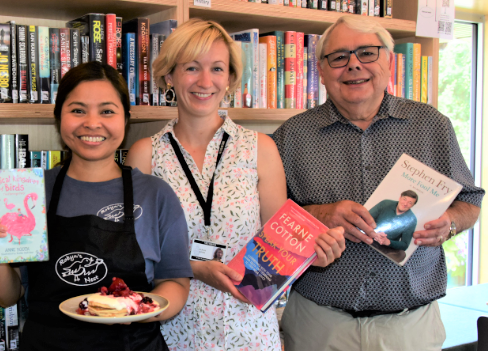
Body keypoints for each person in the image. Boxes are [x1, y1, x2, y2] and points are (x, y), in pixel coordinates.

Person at [125, 18, 346, 351]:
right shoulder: (145, 155)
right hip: (172, 331)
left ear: (230, 79)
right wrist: (196, 269)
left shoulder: (261, 149)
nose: (204, 81)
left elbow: (279, 244)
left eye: (217, 69)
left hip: (249, 331)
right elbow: (132, 253)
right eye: (191, 68)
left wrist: (313, 255)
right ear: (169, 75)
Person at [272, 15, 485, 351]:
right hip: (318, 325)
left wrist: (450, 224)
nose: (354, 66)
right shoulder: (291, 137)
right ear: (322, 71)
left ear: (388, 60)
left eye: (367, 53)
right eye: (339, 57)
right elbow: (268, 221)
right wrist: (320, 214)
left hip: (410, 327)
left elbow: (470, 201)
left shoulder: (431, 126)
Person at [0, 61, 193, 351]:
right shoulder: (28, 191)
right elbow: (7, 296)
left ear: (126, 119)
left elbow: (176, 283)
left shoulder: (155, 194)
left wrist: (135, 310)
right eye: (77, 110)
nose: (92, 123)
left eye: (107, 111)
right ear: (58, 117)